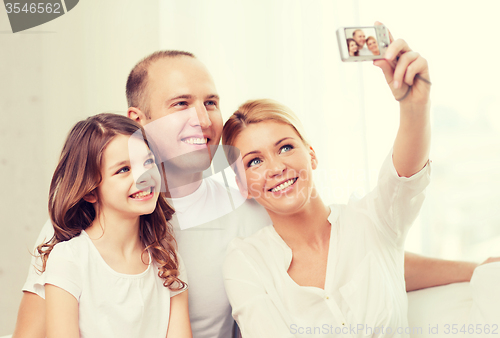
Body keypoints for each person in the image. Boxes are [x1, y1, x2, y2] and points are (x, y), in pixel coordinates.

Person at [12, 50, 486, 338]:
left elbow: (360, 255)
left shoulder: (252, 200)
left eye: (211, 101)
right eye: (181, 104)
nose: (202, 118)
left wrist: (476, 270)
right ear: (138, 121)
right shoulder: (89, 222)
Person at [221, 30, 432, 337]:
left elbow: (404, 177)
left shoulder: (373, 221)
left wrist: (415, 106)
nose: (276, 167)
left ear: (312, 155)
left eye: (285, 147)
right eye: (255, 161)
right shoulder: (246, 263)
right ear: (243, 186)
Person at [33, 113, 190, 337]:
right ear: (89, 192)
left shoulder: (167, 261)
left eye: (148, 162)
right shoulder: (69, 259)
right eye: (123, 170)